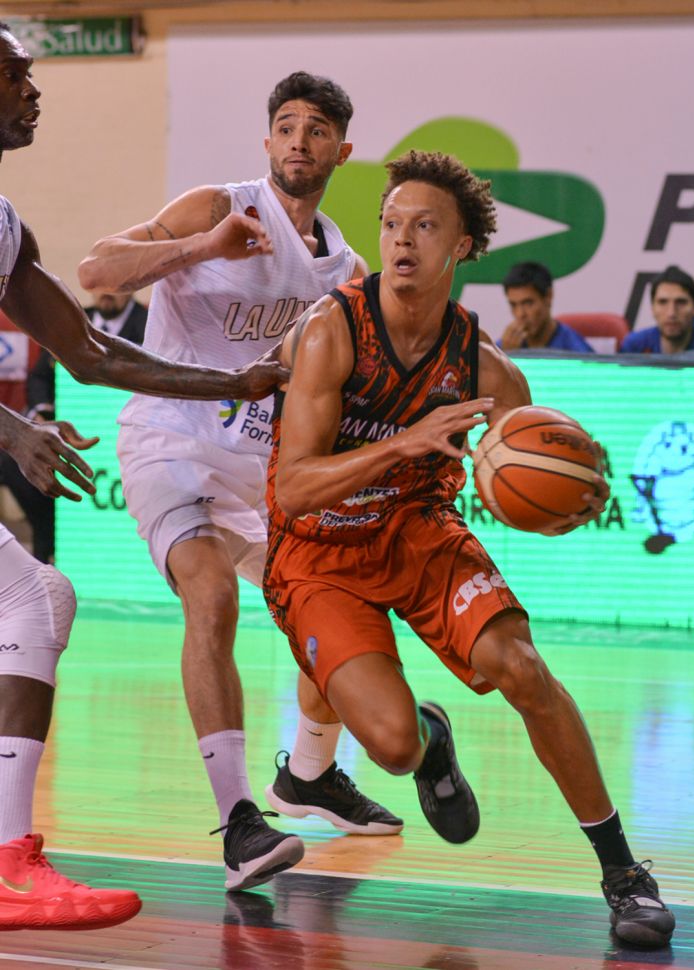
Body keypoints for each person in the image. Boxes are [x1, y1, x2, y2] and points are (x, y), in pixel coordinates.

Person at [264, 149, 676, 949]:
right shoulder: (331, 331)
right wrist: (404, 441)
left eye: (424, 226)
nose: (401, 239)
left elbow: (518, 478)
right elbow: (295, 488)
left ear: (461, 246)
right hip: (318, 553)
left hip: (419, 531)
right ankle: (431, 745)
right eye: (391, 223)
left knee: (521, 668)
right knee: (390, 746)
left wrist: (566, 502)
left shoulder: (488, 370)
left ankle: (624, 873)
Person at [78, 71, 403, 893]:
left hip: (263, 469)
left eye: (317, 129)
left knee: (333, 604)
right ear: (267, 141)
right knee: (213, 594)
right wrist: (202, 248)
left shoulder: (348, 270)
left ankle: (309, 774)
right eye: (286, 127)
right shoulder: (216, 206)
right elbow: (96, 271)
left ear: (342, 151)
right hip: (170, 442)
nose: (299, 141)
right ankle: (240, 826)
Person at [0, 22, 287, 929]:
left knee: (36, 599)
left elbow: (90, 352)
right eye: (14, 74)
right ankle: (7, 862)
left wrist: (232, 383)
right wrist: (10, 429)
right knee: (32, 601)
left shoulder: (4, 224)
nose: (33, 91)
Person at [0, 293, 147, 563]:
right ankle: (47, 541)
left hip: (126, 435)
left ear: (129, 286)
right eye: (97, 284)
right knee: (14, 461)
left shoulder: (149, 323)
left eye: (113, 284)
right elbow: (40, 376)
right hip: (68, 428)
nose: (105, 292)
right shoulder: (70, 319)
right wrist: (42, 413)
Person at [498, 261, 594, 352]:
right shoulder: (505, 346)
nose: (520, 314)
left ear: (548, 296)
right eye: (513, 305)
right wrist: (505, 355)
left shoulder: (576, 351)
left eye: (528, 303)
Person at [620, 265, 694, 354]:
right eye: (662, 302)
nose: (671, 313)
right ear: (652, 308)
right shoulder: (634, 345)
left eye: (681, 302)